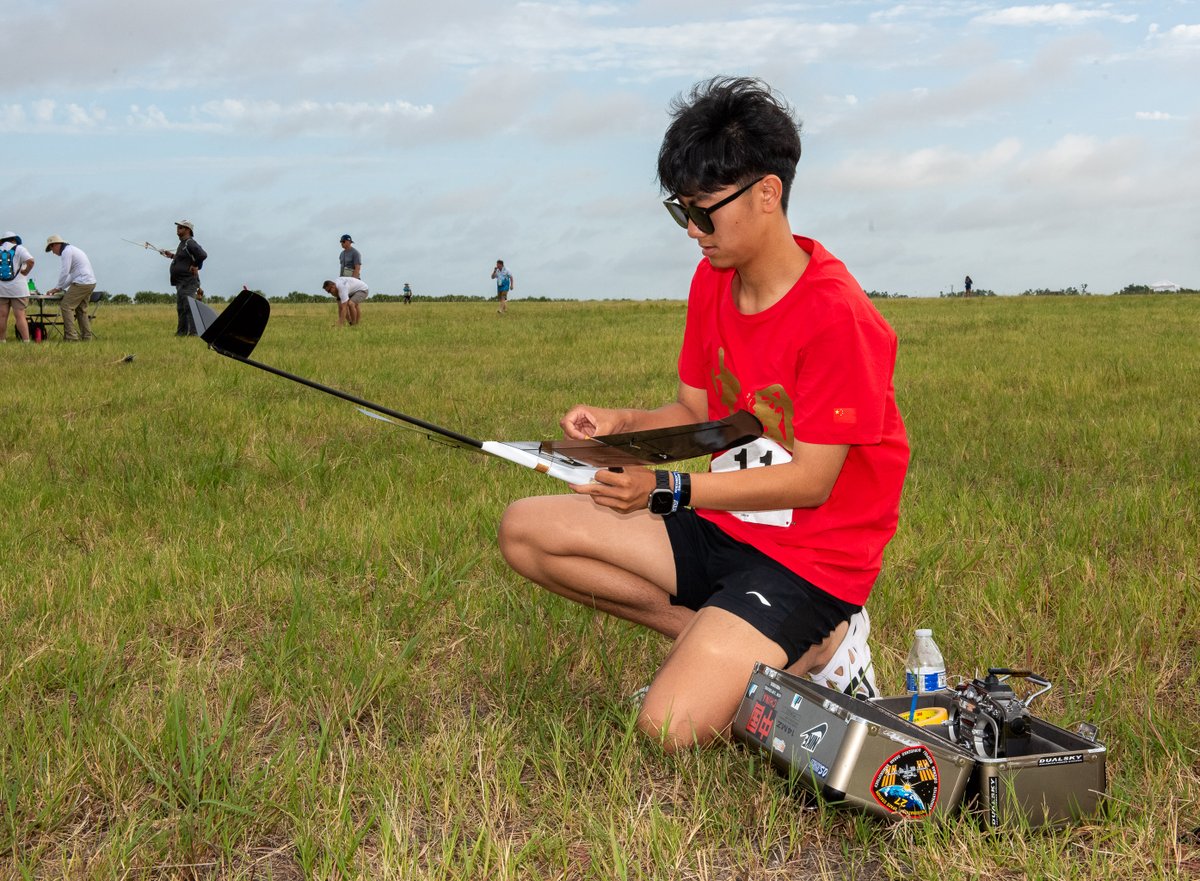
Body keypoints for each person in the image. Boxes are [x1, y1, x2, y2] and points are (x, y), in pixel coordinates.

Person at [497, 77, 910, 752]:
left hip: (810, 564)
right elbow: (694, 411)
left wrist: (667, 489)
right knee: (525, 531)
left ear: (767, 194)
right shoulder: (712, 279)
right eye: (680, 212)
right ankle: (725, 648)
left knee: (669, 727)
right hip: (724, 526)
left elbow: (812, 482)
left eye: (705, 213)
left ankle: (826, 644)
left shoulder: (839, 317)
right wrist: (619, 423)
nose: (693, 231)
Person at [44, 235, 97, 342]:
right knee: (81, 310)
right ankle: (87, 337)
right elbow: (72, 275)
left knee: (66, 306)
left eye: (51, 249)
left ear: (55, 245)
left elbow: (65, 272)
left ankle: (71, 337)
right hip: (89, 282)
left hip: (82, 282)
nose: (53, 252)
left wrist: (58, 287)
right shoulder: (72, 250)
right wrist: (58, 288)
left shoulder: (66, 252)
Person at [162, 220, 206, 336]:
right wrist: (171, 255)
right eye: (178, 227)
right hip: (181, 282)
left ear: (188, 230)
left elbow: (202, 255)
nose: (178, 229)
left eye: (181, 227)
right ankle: (181, 333)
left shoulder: (190, 242)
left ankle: (194, 333)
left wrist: (195, 265)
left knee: (189, 307)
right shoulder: (182, 244)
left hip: (189, 281)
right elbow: (184, 259)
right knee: (181, 308)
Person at [0, 231, 34, 343]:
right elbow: (31, 261)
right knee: (20, 316)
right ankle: (26, 341)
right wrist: (25, 271)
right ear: (14, 240)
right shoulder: (19, 249)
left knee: (2, 316)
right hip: (18, 289)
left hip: (1, 289)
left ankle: (2, 341)